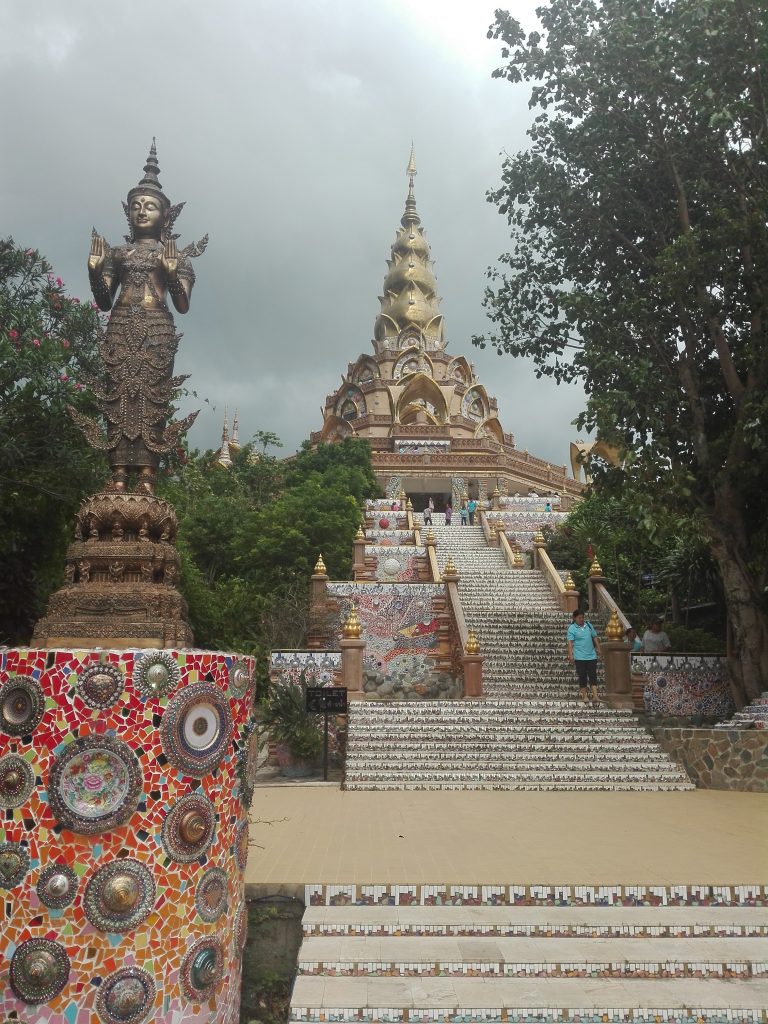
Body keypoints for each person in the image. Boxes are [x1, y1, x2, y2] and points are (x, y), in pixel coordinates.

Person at [74, 140, 207, 494]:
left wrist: (171, 272)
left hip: (157, 330)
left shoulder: (177, 257)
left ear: (165, 214)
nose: (142, 211)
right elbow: (104, 301)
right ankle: (117, 471)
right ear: (128, 213)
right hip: (119, 325)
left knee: (151, 398)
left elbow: (182, 305)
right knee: (118, 396)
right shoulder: (117, 254)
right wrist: (93, 272)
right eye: (136, 206)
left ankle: (147, 473)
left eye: (149, 206)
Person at [566, 609, 602, 704]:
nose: (581, 619)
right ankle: (585, 696)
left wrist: (599, 649)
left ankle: (595, 696)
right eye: (579, 618)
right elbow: (570, 643)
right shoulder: (572, 628)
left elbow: (594, 637)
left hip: (591, 655)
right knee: (582, 675)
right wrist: (570, 655)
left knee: (593, 675)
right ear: (574, 618)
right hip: (579, 656)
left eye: (583, 617)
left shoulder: (589, 625)